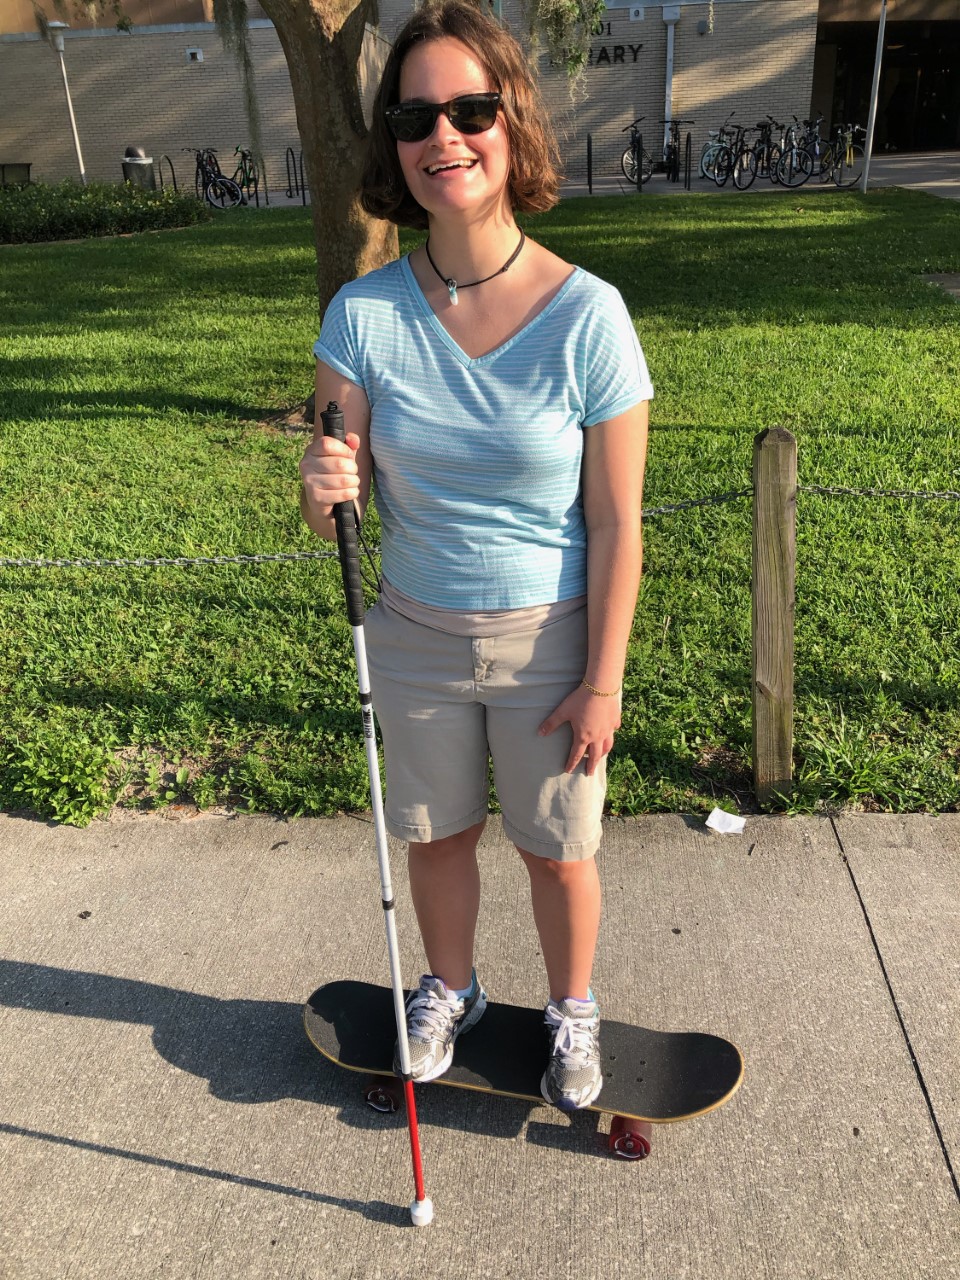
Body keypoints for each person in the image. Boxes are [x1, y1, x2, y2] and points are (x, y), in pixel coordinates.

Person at [299, 0, 652, 1111]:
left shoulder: (590, 316)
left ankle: (572, 1009)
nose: (442, 136)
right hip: (414, 636)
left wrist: (603, 681)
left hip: (553, 644)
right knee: (437, 836)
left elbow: (617, 523)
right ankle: (450, 989)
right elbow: (334, 497)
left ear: (513, 122)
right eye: (414, 117)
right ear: (393, 144)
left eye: (470, 109)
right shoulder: (362, 315)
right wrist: (319, 485)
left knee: (558, 849)